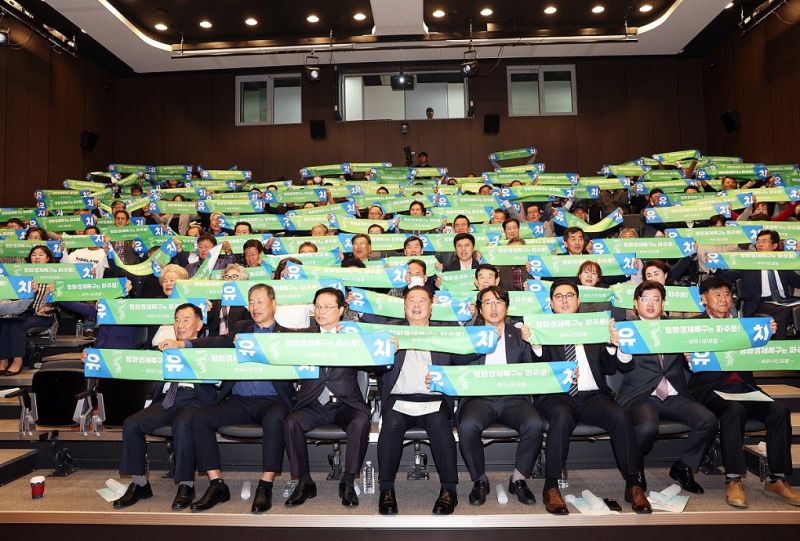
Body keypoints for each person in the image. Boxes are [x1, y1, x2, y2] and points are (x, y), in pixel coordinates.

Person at [160, 284, 295, 513]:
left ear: (274, 304)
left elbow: (313, 345)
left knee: (275, 419)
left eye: (260, 301)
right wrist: (182, 344)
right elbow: (216, 341)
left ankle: (265, 485)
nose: (255, 306)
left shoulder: (287, 335)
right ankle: (217, 484)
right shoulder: (241, 329)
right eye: (251, 302)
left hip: (272, 400)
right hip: (239, 400)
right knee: (201, 418)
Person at [521, 280, 651, 514]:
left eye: (569, 295)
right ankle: (551, 487)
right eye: (558, 296)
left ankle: (633, 484)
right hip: (558, 396)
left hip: (593, 396)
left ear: (578, 301)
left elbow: (611, 368)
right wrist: (536, 345)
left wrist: (611, 344)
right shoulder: (541, 327)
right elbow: (535, 370)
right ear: (551, 303)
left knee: (620, 415)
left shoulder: (593, 327)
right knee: (561, 416)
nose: (564, 300)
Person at [688, 276, 799, 508]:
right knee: (733, 410)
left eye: (727, 294)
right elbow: (680, 362)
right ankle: (733, 479)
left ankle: (777, 479)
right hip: (711, 389)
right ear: (703, 299)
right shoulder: (693, 327)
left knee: (780, 411)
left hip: (745, 388)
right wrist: (687, 357)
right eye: (717, 294)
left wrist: (766, 335)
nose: (723, 299)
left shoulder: (745, 325)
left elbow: (760, 355)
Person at [112, 304, 224, 510]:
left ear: (199, 324)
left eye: (186, 320)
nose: (180, 324)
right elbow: (129, 363)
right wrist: (95, 361)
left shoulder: (208, 350)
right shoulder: (162, 349)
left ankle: (186, 485)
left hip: (195, 399)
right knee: (132, 424)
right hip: (167, 400)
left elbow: (220, 381)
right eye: (177, 319)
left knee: (183, 423)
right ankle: (140, 484)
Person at [613, 281, 717, 494]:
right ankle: (635, 470)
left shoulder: (676, 328)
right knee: (647, 426)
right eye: (645, 299)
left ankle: (683, 466)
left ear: (663, 304)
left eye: (656, 299)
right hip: (642, 394)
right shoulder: (627, 329)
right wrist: (622, 348)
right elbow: (622, 366)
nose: (651, 304)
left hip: (673, 393)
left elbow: (694, 362)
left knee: (708, 420)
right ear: (636, 304)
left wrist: (692, 359)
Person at [454, 286, 545, 506]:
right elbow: (455, 362)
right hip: (478, 397)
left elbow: (532, 369)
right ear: (480, 309)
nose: (494, 308)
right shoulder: (469, 334)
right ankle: (480, 480)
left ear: (506, 307)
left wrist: (535, 345)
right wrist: (478, 347)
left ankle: (518, 479)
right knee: (467, 426)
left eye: (499, 302)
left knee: (534, 424)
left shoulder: (518, 334)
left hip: (513, 397)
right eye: (488, 303)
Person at [284, 288, 371, 508]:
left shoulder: (354, 337)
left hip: (345, 403)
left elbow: (379, 364)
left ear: (341, 310)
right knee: (291, 422)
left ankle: (348, 481)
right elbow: (276, 348)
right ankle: (304, 481)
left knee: (360, 421)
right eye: (318, 306)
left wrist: (389, 348)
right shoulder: (302, 337)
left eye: (327, 307)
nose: (321, 311)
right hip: (313, 403)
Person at [376, 286, 458, 515]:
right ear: (404, 307)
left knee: (440, 424)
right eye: (412, 300)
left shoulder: (445, 332)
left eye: (422, 300)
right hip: (400, 398)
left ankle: (449, 490)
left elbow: (465, 357)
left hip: (434, 398)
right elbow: (375, 367)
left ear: (431, 307)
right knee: (391, 424)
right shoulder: (391, 332)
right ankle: (386, 489)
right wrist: (386, 353)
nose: (417, 305)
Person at [712, 229, 800, 339]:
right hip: (759, 303)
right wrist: (714, 267)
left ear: (774, 245)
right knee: (783, 310)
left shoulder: (783, 263)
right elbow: (727, 277)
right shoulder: (748, 263)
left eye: (764, 241)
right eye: (758, 241)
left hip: (785, 301)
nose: (760, 244)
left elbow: (798, 282)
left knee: (785, 309)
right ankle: (780, 345)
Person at [0, 246, 56, 375]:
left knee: (16, 324)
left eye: (41, 255)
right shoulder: (22, 275)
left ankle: (17, 361)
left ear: (48, 258)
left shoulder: (54, 277)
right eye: (34, 255)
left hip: (42, 315)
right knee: (6, 322)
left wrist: (53, 292)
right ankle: (3, 360)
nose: (37, 257)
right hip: (21, 313)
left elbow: (64, 296)